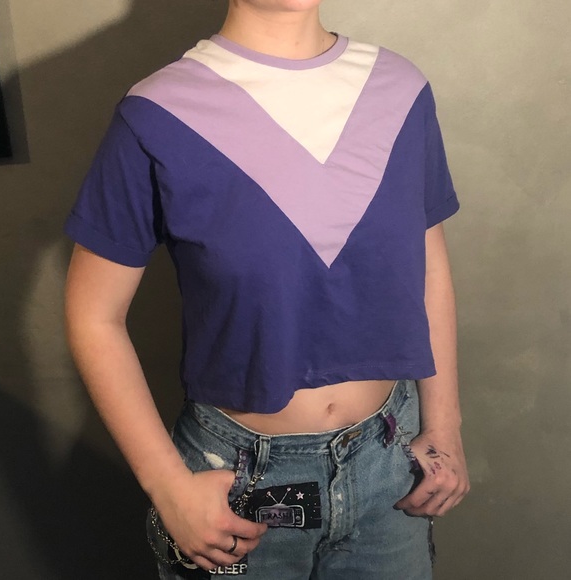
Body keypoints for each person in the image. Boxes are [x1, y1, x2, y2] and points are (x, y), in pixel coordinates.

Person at [64, 1, 470, 578]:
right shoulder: (157, 111)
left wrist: (445, 425)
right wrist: (167, 484)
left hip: (390, 468)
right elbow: (93, 315)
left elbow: (428, 269)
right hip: (236, 484)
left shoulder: (401, 90)